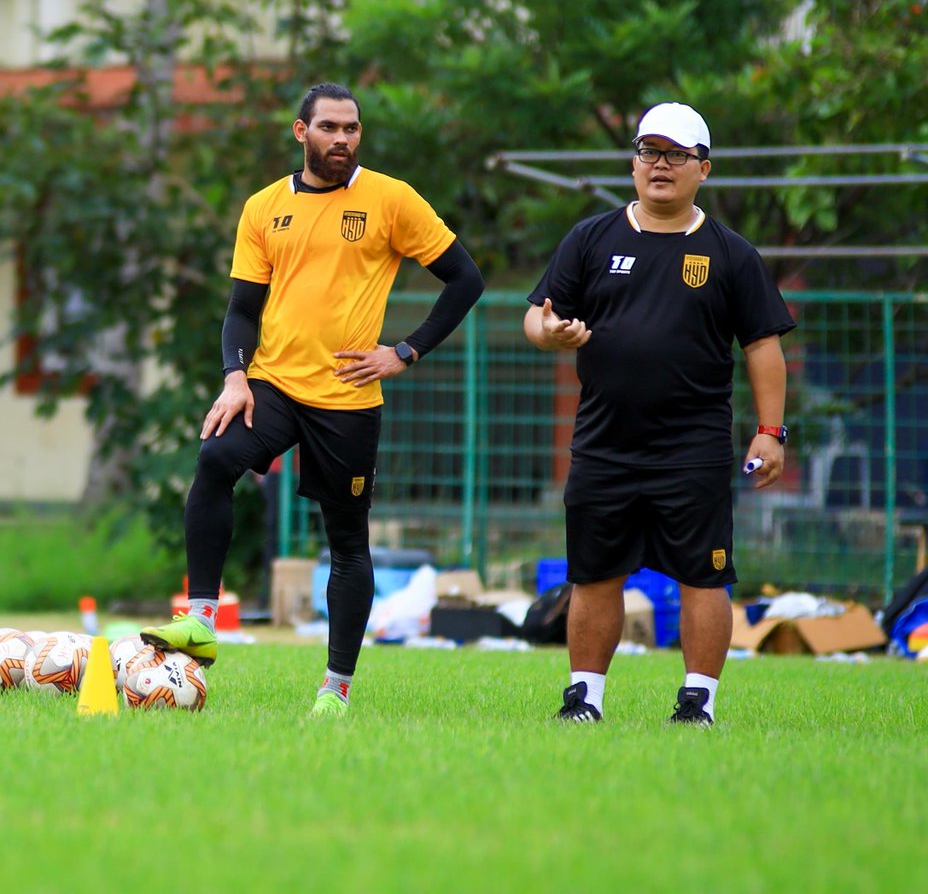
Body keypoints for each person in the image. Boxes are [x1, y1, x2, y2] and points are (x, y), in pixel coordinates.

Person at [142, 82, 484, 716]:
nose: (343, 139)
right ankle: (200, 620)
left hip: (349, 396)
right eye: (329, 128)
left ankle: (336, 688)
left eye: (352, 129)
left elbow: (466, 279)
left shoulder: (391, 199)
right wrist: (234, 375)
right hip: (272, 384)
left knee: (347, 540)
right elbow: (243, 308)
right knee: (216, 458)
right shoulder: (263, 207)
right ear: (302, 133)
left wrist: (405, 351)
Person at [523, 102, 795, 726]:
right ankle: (584, 697)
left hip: (692, 446)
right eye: (649, 152)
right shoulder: (590, 238)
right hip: (602, 440)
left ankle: (697, 701)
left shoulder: (730, 253)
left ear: (703, 168)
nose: (660, 165)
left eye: (676, 155)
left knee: (704, 577)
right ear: (633, 162)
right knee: (594, 574)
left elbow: (763, 347)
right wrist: (549, 331)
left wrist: (771, 431)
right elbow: (537, 314)